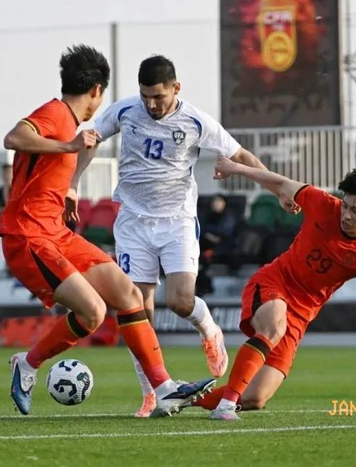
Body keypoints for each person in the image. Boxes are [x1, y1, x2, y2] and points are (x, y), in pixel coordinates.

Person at [0, 44, 215, 418]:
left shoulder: (69, 123)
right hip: (28, 236)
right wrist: (67, 145)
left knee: (127, 293)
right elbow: (13, 138)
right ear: (97, 90)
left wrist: (69, 186)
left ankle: (163, 388)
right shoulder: (56, 114)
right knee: (94, 312)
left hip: (56, 233)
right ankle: (28, 364)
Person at [67, 55, 267, 417]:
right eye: (146, 96)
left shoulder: (195, 120)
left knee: (179, 301)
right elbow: (90, 138)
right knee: (136, 309)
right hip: (133, 223)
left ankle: (209, 330)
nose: (152, 104)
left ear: (176, 88)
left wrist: (278, 189)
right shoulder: (125, 111)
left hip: (177, 222)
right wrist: (72, 184)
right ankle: (152, 392)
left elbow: (240, 153)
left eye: (158, 97)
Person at [195, 159, 356, 421]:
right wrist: (236, 168)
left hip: (301, 313)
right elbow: (280, 182)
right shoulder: (322, 203)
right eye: (345, 205)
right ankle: (226, 406)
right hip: (274, 282)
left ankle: (188, 397)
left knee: (256, 397)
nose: (346, 215)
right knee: (274, 326)